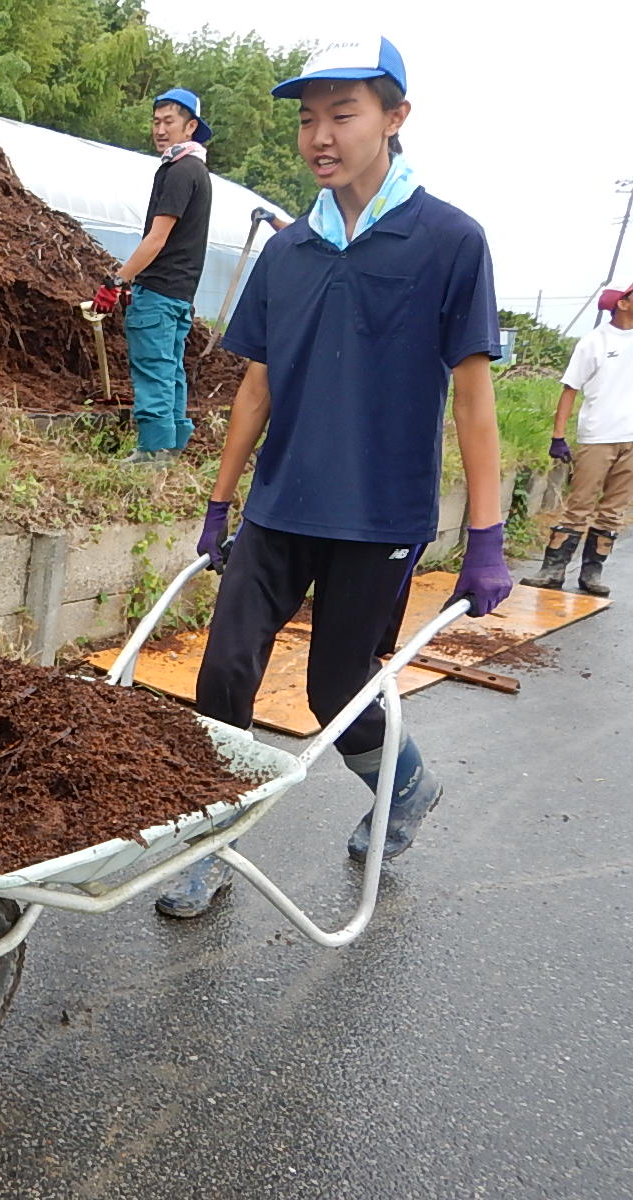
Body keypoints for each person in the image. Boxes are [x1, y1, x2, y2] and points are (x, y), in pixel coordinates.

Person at [153, 35, 512, 918]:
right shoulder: (289, 252)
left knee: (333, 690)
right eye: (308, 118)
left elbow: (473, 400)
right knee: (224, 670)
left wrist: (487, 539)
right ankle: (211, 844)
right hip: (281, 502)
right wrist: (219, 498)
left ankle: (410, 787)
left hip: (381, 515)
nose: (321, 135)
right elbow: (257, 384)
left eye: (343, 114)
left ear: (394, 119)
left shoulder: (450, 242)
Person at [92, 88, 214, 466]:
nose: (160, 129)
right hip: (180, 294)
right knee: (171, 368)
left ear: (191, 126)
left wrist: (117, 280)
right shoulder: (198, 171)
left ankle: (152, 451)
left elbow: (157, 238)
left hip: (159, 292)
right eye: (156, 121)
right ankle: (172, 445)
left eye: (169, 122)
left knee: (153, 368)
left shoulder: (179, 171)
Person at [518, 283, 633, 596]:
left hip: (631, 439)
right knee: (578, 505)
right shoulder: (594, 342)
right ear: (622, 303)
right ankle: (553, 570)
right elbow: (570, 389)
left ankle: (591, 574)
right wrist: (558, 436)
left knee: (613, 510)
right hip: (598, 436)